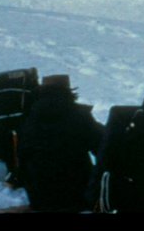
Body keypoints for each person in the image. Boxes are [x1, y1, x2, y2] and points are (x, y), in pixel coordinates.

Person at [16, 75, 105, 212]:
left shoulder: (28, 117)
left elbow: (22, 154)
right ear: (68, 91)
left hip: (39, 196)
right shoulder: (79, 114)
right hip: (76, 195)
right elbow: (101, 145)